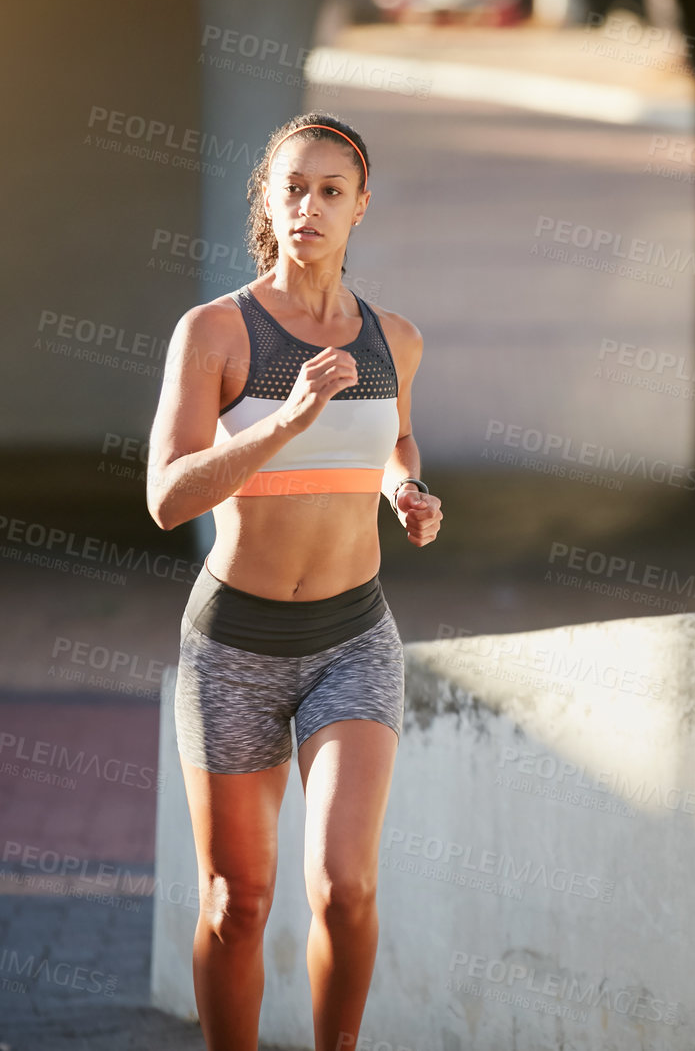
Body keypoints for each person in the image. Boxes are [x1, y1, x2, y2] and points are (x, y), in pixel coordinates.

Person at [145, 111, 441, 1051]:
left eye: (330, 191)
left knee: (344, 888)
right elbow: (165, 497)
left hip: (353, 638)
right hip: (235, 644)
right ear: (268, 204)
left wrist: (407, 487)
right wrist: (281, 425)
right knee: (239, 900)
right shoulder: (215, 332)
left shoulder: (396, 340)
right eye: (292, 189)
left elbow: (392, 435)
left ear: (361, 208)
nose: (308, 207)